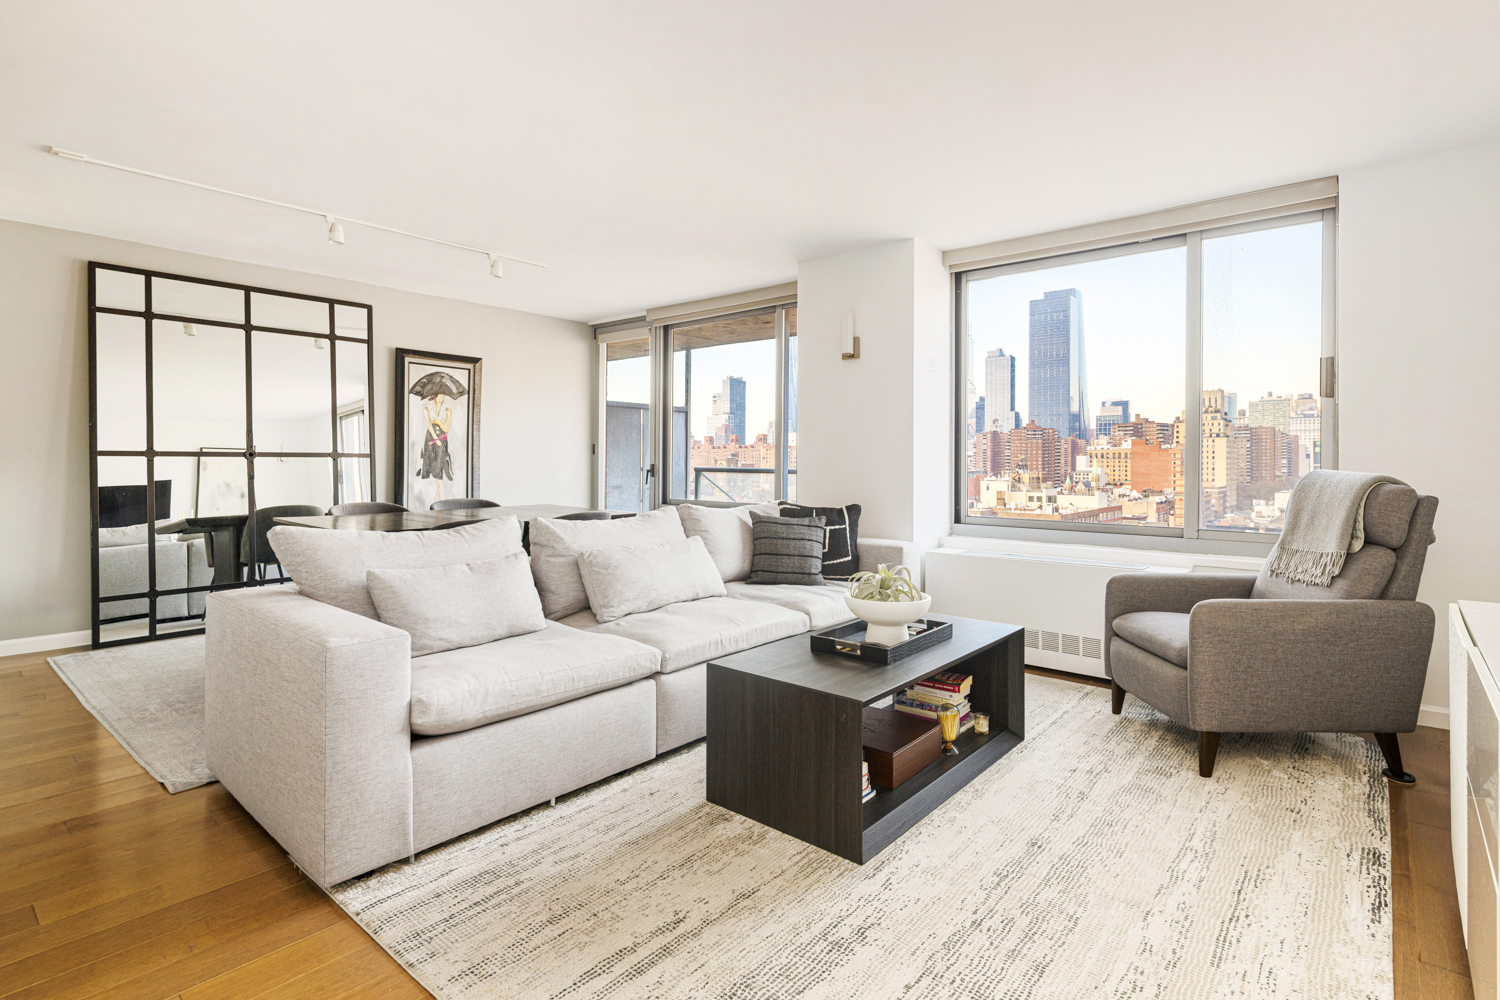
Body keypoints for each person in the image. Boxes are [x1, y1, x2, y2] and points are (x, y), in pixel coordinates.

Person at [419, 392, 454, 500]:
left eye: (443, 396)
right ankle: (438, 503)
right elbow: (429, 426)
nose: (441, 398)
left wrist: (439, 422)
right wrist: (435, 439)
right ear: (434, 396)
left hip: (442, 440)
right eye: (439, 396)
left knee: (439, 470)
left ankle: (439, 502)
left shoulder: (448, 410)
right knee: (435, 470)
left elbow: (447, 429)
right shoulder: (427, 409)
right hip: (431, 439)